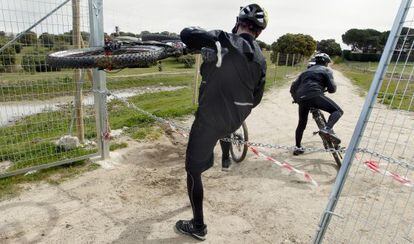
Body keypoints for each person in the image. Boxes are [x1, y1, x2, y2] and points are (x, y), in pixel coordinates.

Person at [175, 3, 268, 240]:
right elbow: (257, 97)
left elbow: (188, 34)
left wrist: (204, 36)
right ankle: (225, 159)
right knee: (224, 132)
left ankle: (198, 226)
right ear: (259, 31)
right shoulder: (261, 59)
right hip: (236, 116)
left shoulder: (223, 38)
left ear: (238, 23)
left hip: (209, 119)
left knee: (192, 170)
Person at [290, 53, 343, 156]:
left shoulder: (305, 72)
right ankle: (327, 129)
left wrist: (296, 99)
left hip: (301, 98)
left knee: (301, 124)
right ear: (326, 62)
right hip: (315, 95)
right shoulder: (326, 70)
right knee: (338, 111)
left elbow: (293, 88)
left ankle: (298, 147)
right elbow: (332, 89)